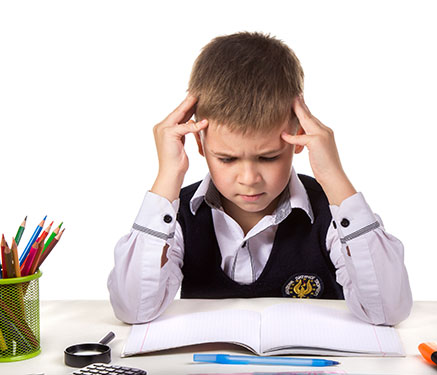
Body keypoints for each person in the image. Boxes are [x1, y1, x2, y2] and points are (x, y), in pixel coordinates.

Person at [107, 31, 412, 326]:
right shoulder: (176, 216)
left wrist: (333, 176)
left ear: (297, 138)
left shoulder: (330, 213)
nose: (249, 178)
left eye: (268, 157)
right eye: (226, 158)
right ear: (199, 143)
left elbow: (387, 310)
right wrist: (167, 177)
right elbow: (134, 310)